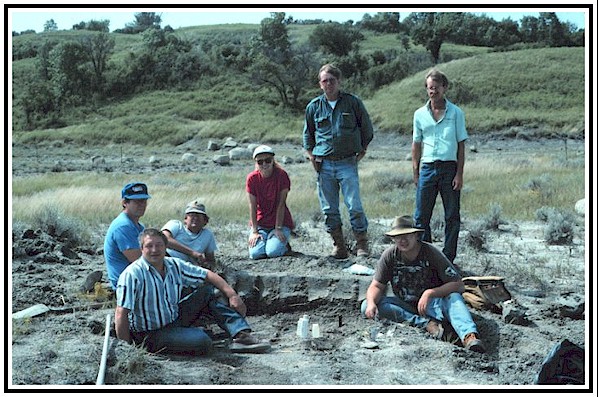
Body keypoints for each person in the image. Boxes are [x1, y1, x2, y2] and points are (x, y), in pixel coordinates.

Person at [115, 228, 271, 355]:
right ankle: (193, 337)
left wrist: (232, 295)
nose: (154, 250)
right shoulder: (132, 275)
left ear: (165, 247)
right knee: (202, 341)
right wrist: (126, 349)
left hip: (173, 318)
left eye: (159, 245)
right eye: (149, 246)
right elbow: (121, 313)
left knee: (209, 291)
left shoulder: (173, 264)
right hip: (150, 333)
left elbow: (207, 274)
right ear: (142, 249)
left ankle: (240, 336)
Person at [361, 215, 485, 353]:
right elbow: (377, 285)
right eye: (398, 237)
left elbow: (458, 284)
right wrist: (371, 302)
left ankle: (469, 336)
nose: (402, 240)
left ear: (415, 235)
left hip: (434, 304)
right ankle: (426, 324)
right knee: (366, 305)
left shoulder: (430, 252)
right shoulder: (390, 255)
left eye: (406, 235)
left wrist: (430, 293)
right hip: (406, 307)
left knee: (454, 298)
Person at [303, 63, 374, 259]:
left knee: (354, 206)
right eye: (324, 81)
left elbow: (366, 128)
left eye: (331, 81)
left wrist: (362, 150)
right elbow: (308, 135)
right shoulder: (314, 107)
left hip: (347, 163)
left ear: (339, 81)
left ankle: (361, 245)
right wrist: (312, 156)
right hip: (324, 164)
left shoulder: (352, 103)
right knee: (329, 209)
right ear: (320, 84)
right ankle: (339, 246)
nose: (328, 85)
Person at [412, 68, 468, 264]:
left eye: (436, 88)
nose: (432, 92)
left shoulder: (456, 113)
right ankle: (425, 257)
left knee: (452, 214)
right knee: (421, 216)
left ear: (444, 88)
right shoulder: (419, 114)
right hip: (427, 168)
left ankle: (448, 258)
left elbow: (461, 144)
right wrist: (416, 171)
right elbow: (416, 144)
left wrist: (459, 174)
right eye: (429, 88)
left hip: (448, 168)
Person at [246, 145, 295, 259]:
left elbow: (281, 204)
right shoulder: (252, 179)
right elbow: (252, 206)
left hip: (280, 222)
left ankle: (283, 245)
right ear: (256, 163)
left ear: (273, 160)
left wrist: (278, 228)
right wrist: (254, 231)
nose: (264, 165)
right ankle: (269, 241)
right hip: (261, 223)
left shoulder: (282, 175)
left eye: (267, 161)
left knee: (272, 252)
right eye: (260, 162)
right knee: (255, 254)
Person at [104, 182, 150, 290]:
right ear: (125, 202)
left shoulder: (138, 226)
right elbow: (140, 260)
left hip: (137, 280)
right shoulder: (123, 226)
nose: (141, 205)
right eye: (137, 202)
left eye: (143, 201)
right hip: (127, 286)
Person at [161, 200, 218, 267]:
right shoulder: (176, 225)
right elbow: (164, 239)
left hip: (187, 267)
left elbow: (210, 260)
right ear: (185, 219)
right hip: (166, 259)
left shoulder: (207, 235)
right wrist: (193, 253)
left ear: (205, 221)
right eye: (192, 215)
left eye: (198, 216)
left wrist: (206, 265)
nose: (195, 218)